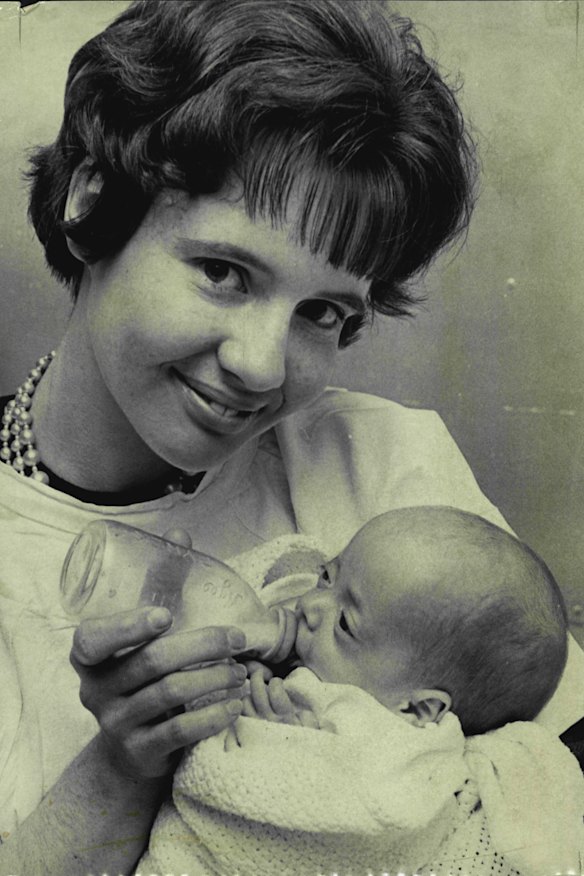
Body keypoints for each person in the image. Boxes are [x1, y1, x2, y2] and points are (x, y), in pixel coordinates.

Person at [0, 1, 583, 873]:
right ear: (92, 200)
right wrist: (123, 762)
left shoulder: (382, 462)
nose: (264, 367)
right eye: (225, 272)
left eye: (322, 311)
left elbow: (548, 785)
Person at [138, 506, 584, 876]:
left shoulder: (390, 747)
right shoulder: (323, 654)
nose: (312, 606)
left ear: (418, 708)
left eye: (345, 623)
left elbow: (355, 821)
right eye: (328, 576)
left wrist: (281, 744)